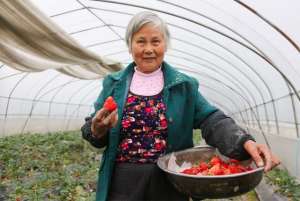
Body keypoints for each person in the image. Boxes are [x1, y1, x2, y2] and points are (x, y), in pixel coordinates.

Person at [81, 11, 280, 201]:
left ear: (165, 45)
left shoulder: (183, 86)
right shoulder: (114, 84)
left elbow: (212, 120)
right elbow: (94, 129)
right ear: (130, 45)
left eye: (155, 41)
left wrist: (243, 141)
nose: (148, 49)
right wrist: (97, 129)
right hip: (123, 184)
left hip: (169, 184)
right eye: (141, 41)